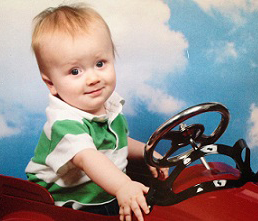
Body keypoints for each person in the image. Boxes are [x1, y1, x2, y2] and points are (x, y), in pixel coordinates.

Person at [25, 4, 168, 221]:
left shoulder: (108, 106)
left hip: (103, 191)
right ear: (50, 83)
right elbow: (88, 157)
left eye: (100, 63)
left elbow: (118, 142)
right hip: (70, 203)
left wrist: (148, 152)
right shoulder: (63, 123)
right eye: (75, 71)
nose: (93, 78)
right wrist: (123, 186)